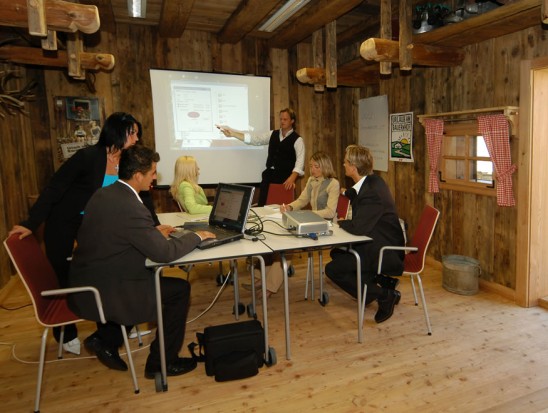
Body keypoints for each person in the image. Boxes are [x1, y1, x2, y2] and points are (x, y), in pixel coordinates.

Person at [68, 145, 215, 377]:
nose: (155, 177)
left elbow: (117, 233)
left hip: (88, 278)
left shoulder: (103, 194)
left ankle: (107, 339)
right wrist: (196, 236)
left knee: (160, 280)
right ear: (138, 176)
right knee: (179, 291)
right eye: (153, 172)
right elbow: (164, 254)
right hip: (110, 288)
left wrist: (150, 232)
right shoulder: (131, 207)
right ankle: (161, 364)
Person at [8, 112, 142, 355]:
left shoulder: (127, 162)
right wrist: (31, 222)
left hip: (93, 225)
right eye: (132, 132)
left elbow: (136, 195)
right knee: (61, 275)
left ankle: (117, 323)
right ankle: (65, 332)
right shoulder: (88, 157)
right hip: (64, 221)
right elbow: (54, 188)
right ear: (117, 132)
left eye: (136, 133)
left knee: (105, 269)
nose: (136, 138)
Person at [325, 145, 405, 324]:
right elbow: (359, 196)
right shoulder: (373, 181)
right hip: (377, 241)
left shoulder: (372, 193)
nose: (343, 164)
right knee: (336, 252)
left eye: (345, 162)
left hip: (386, 250)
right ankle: (380, 281)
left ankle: (384, 294)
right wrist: (347, 193)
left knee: (333, 269)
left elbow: (359, 228)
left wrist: (338, 223)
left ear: (353, 167)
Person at [252, 152, 340, 297]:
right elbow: (301, 200)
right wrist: (290, 207)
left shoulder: (333, 183)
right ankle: (260, 278)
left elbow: (330, 212)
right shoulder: (312, 180)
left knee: (287, 248)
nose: (312, 170)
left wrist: (309, 214)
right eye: (311, 166)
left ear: (324, 167)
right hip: (311, 221)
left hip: (327, 226)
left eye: (316, 167)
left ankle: (270, 286)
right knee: (275, 240)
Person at [218, 108, 305, 206]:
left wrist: (292, 178)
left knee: (281, 208)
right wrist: (233, 134)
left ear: (292, 121)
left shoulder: (297, 140)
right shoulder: (273, 134)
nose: (282, 121)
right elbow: (255, 139)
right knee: (262, 205)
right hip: (269, 176)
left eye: (285, 119)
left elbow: (300, 162)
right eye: (281, 119)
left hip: (285, 179)